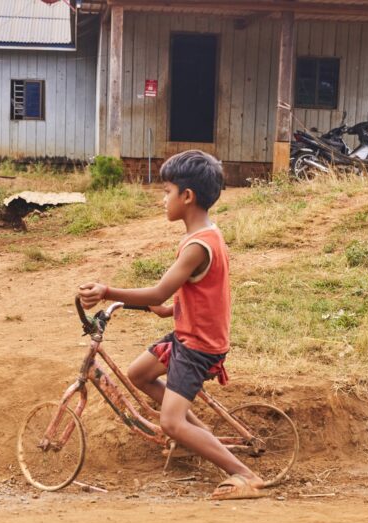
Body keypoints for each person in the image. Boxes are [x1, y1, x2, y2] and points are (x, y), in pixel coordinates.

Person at [78, 150, 265, 500]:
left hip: (197, 346)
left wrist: (107, 291)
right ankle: (197, 438)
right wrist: (169, 310)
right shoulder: (208, 234)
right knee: (139, 374)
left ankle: (244, 474)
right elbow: (200, 288)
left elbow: (162, 288)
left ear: (187, 196)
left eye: (167, 191)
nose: (163, 199)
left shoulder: (197, 245)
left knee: (170, 422)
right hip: (189, 333)